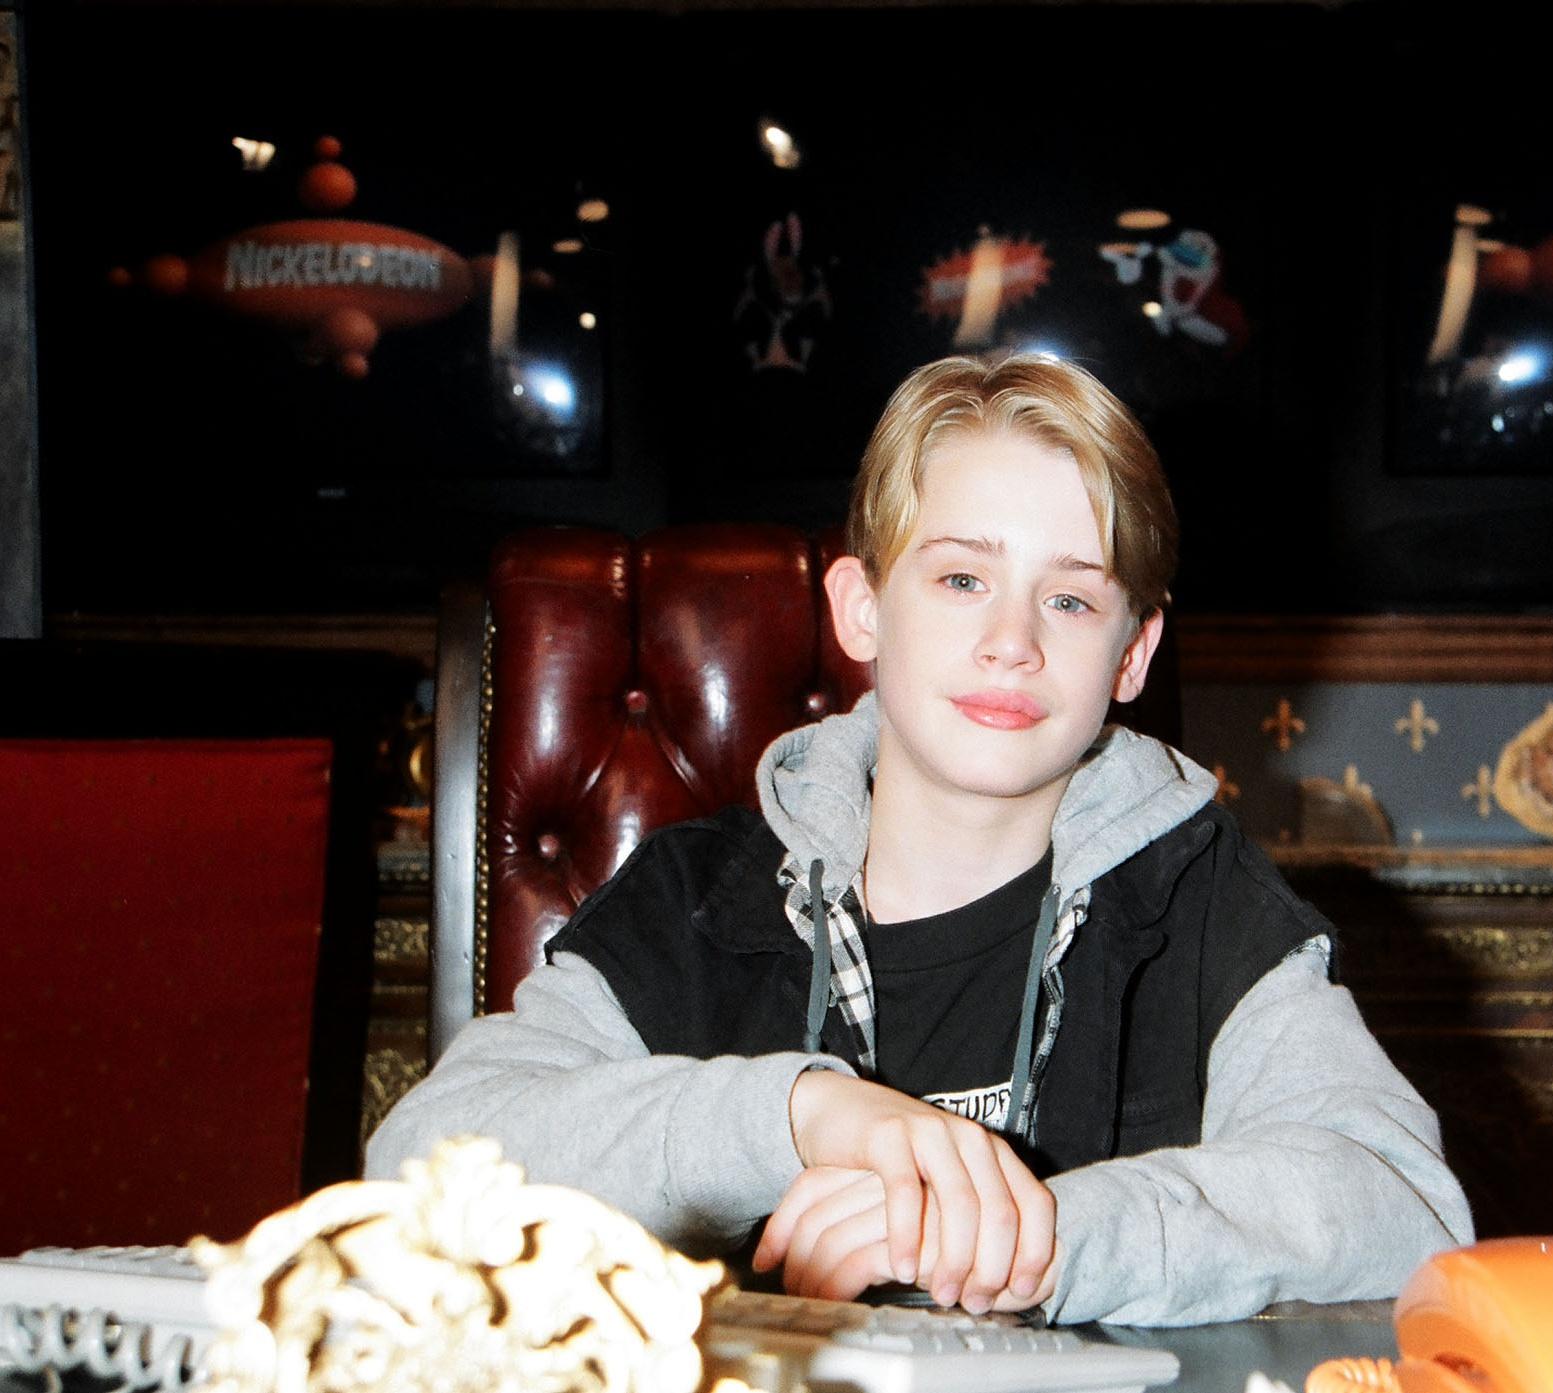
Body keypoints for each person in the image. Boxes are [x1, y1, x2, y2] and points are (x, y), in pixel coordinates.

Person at [366, 353, 1472, 1326]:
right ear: (862, 608)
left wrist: (1030, 1237)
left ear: (1132, 656)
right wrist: (794, 1114)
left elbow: (1400, 1202)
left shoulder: (1199, 897)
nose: (1010, 643)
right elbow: (418, 1165)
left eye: (1072, 602)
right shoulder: (695, 899)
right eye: (959, 579)